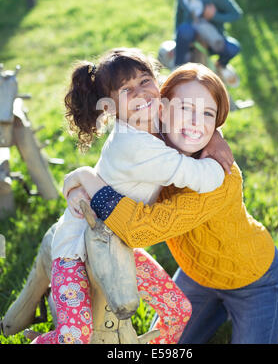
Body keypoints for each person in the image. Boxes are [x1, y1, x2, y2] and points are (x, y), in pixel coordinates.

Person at [65, 63, 278, 344]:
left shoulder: (218, 179)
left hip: (253, 280)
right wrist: (85, 190)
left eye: (207, 114)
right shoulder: (153, 146)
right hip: (196, 274)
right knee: (159, 346)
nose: (195, 122)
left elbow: (139, 231)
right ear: (161, 109)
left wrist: (85, 177)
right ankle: (220, 311)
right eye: (185, 108)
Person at [32, 48, 233, 345]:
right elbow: (201, 178)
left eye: (144, 80)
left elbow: (190, 118)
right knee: (76, 336)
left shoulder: (154, 120)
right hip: (76, 249)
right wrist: (219, 164)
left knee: (178, 310)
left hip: (120, 244)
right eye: (126, 90)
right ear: (110, 108)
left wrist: (214, 134)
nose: (140, 93)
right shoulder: (133, 145)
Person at [169, 0, 243, 86]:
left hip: (214, 40)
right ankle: (178, 66)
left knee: (234, 48)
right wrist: (176, 41)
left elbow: (236, 14)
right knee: (184, 29)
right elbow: (178, 21)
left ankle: (221, 65)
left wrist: (214, 16)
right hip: (191, 40)